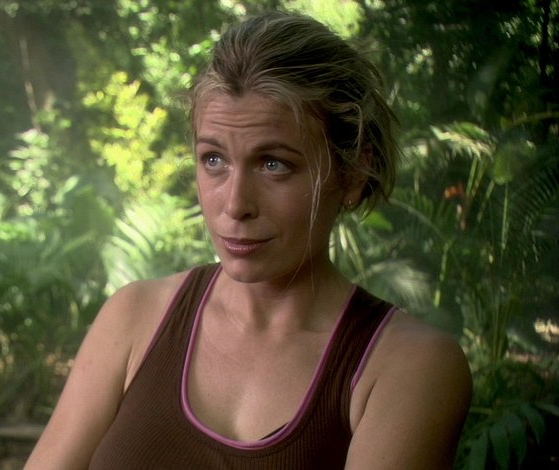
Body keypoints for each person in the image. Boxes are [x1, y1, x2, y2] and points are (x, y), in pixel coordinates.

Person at [25, 10, 472, 470]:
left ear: (354, 172)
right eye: (214, 159)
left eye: (274, 164)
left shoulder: (406, 366)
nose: (235, 204)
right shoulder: (135, 317)